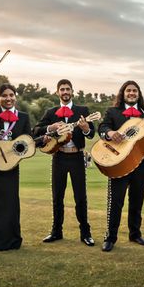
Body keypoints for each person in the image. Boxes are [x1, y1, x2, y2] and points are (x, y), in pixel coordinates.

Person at [97, 80, 144, 252]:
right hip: (118, 162)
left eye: (135, 91)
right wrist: (110, 133)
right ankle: (110, 237)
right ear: (123, 93)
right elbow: (102, 127)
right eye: (129, 91)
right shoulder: (113, 111)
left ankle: (135, 234)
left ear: (139, 94)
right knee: (115, 202)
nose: (132, 93)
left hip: (142, 164)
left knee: (137, 200)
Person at [33, 79, 95, 246]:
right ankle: (56, 231)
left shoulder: (82, 111)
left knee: (80, 196)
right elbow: (36, 130)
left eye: (68, 89)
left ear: (72, 91)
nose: (65, 92)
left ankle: (85, 233)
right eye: (62, 89)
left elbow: (91, 134)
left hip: (77, 157)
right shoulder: (51, 111)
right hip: (58, 157)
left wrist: (85, 129)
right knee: (57, 196)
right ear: (57, 92)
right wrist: (51, 128)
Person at [0, 83, 31, 251]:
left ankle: (11, 240)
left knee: (10, 203)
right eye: (4, 95)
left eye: (11, 95)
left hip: (11, 167)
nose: (9, 98)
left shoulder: (23, 117)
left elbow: (27, 141)